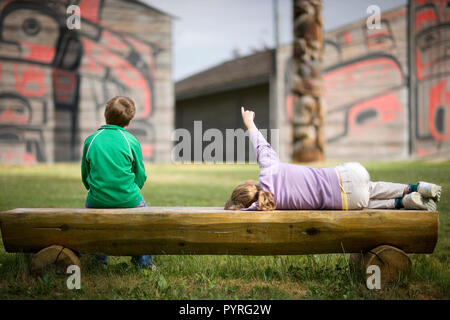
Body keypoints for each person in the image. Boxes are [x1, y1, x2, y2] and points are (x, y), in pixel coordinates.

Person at [224, 107, 441, 212]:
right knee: (371, 187)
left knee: (362, 203)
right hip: (348, 174)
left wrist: (238, 209)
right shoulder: (268, 170)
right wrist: (249, 122)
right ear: (250, 182)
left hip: (349, 202)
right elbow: (260, 144)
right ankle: (413, 187)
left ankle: (401, 203)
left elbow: (246, 211)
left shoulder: (267, 206)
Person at [81, 96, 153, 268]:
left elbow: (85, 175)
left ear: (105, 114)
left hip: (97, 200)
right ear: (128, 122)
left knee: (96, 228)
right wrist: (129, 191)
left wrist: (97, 191)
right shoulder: (131, 141)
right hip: (129, 199)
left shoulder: (91, 140)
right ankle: (143, 263)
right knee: (146, 224)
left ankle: (99, 261)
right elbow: (140, 175)